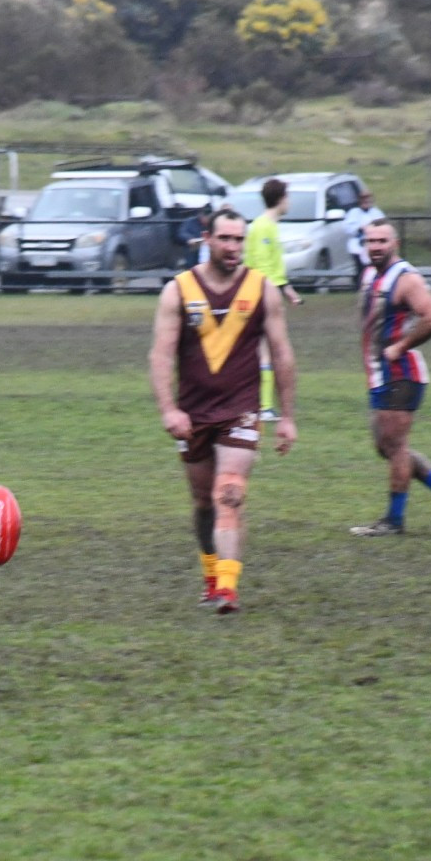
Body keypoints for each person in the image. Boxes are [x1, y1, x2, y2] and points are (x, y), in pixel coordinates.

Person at [149, 207, 298, 615]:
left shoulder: (261, 289)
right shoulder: (178, 291)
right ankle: (211, 575)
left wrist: (287, 416)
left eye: (239, 239)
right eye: (226, 239)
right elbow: (161, 355)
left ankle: (228, 590)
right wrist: (169, 410)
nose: (234, 247)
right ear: (208, 239)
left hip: (242, 410)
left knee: (228, 492)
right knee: (202, 502)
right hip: (193, 414)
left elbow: (283, 353)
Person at [351, 220, 431, 537]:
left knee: (396, 446)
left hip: (401, 374)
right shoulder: (369, 274)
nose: (375, 246)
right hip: (380, 374)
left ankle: (394, 520)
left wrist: (401, 346)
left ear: (395, 244)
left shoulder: (405, 279)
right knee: (386, 447)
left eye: (382, 241)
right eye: (370, 241)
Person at [243, 177, 302, 419]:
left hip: (269, 293)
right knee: (265, 351)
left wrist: (287, 290)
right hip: (261, 295)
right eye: (287, 196)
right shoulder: (262, 226)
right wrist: (273, 293)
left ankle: (262, 405)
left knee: (268, 349)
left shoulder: (269, 226)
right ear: (281, 199)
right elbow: (260, 266)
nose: (289, 201)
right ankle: (263, 407)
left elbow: (272, 267)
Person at [342, 187, 386, 281]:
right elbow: (347, 228)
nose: (365, 202)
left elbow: (383, 227)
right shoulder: (353, 213)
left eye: (367, 199)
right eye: (363, 199)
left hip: (373, 245)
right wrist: (359, 228)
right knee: (360, 270)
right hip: (357, 246)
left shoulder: (377, 213)